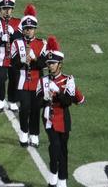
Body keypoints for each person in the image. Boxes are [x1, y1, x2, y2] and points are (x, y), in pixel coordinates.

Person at [39, 37, 85, 187]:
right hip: (49, 118)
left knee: (63, 150)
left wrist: (58, 92)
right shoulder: (43, 80)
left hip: (64, 119)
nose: (50, 66)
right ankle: (53, 175)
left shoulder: (68, 80)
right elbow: (37, 103)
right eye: (49, 63)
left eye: (53, 63)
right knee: (54, 146)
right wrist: (44, 98)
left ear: (60, 64)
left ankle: (62, 180)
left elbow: (68, 102)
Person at [11, 4, 48, 147]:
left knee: (35, 109)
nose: (28, 31)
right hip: (22, 81)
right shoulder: (16, 43)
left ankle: (34, 134)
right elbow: (13, 64)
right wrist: (22, 61)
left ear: (34, 29)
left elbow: (44, 64)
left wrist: (33, 60)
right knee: (25, 107)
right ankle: (23, 131)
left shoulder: (41, 44)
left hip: (37, 83)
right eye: (26, 28)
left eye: (31, 28)